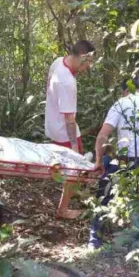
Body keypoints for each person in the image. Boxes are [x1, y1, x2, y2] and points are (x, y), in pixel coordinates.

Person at [88, 76, 139, 250]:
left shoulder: (121, 103)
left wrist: (98, 162)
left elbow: (103, 135)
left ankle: (95, 240)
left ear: (126, 91)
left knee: (104, 194)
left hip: (124, 161)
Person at [45, 40, 95, 219]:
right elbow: (69, 120)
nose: (88, 67)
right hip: (63, 130)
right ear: (82, 57)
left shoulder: (58, 61)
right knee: (74, 169)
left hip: (52, 124)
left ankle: (71, 190)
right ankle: (63, 210)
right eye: (88, 62)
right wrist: (74, 148)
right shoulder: (67, 82)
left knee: (68, 167)